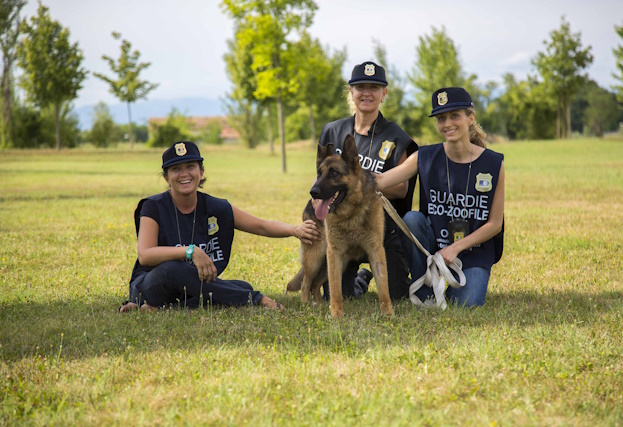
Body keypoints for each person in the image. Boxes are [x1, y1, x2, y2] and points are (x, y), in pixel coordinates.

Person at [120, 140, 321, 313]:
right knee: (174, 269)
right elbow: (145, 255)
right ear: (166, 177)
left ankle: (158, 309)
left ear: (201, 171)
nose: (184, 174)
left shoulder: (215, 207)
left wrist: (295, 230)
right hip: (154, 284)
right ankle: (255, 298)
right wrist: (190, 251)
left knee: (240, 285)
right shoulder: (152, 207)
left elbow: (260, 225)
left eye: (190, 166)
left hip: (191, 285)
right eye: (176, 169)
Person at [376, 87, 505, 307]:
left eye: (455, 116)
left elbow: (494, 224)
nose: (447, 124)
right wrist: (337, 177)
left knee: (465, 305)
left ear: (470, 118)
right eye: (441, 118)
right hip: (433, 247)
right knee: (412, 220)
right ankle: (426, 289)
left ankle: (458, 279)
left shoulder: (493, 163)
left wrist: (456, 248)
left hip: (473, 252)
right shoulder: (425, 157)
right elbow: (380, 181)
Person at [315, 61, 418, 300]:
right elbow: (321, 179)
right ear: (350, 91)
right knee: (339, 295)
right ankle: (361, 278)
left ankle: (395, 274)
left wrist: (359, 187)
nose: (367, 93)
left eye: (375, 87)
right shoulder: (332, 131)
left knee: (397, 296)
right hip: (342, 227)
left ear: (384, 93)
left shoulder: (395, 135)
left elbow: (401, 188)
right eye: (360, 86)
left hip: (381, 230)